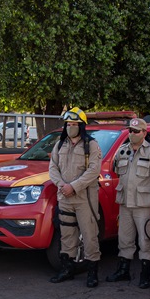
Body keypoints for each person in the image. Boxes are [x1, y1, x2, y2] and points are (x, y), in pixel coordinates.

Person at [48, 107, 102, 287]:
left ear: (81, 126)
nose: (71, 127)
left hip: (84, 198)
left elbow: (94, 171)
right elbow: (53, 168)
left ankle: (92, 273)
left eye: (74, 124)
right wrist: (62, 185)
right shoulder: (60, 144)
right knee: (67, 234)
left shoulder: (91, 145)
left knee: (89, 234)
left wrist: (74, 186)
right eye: (68, 124)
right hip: (64, 197)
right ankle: (67, 269)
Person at [106, 118, 150, 288]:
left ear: (144, 133)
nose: (132, 134)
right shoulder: (122, 151)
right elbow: (115, 170)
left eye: (136, 131)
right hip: (125, 203)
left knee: (146, 240)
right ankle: (123, 271)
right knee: (124, 239)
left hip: (144, 205)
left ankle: (145, 276)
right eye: (130, 130)